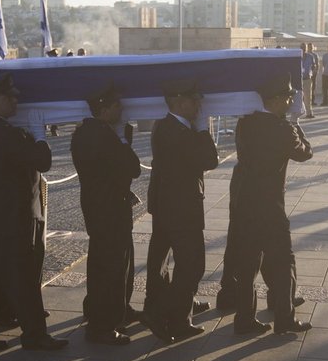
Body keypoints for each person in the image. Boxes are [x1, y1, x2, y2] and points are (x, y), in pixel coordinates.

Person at [0, 70, 66, 351]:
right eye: (10, 97)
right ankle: (34, 335)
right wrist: (38, 134)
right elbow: (42, 161)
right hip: (12, 221)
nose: (15, 102)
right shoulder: (2, 134)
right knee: (25, 278)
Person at [231, 74, 313, 335]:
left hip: (245, 204)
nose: (290, 101)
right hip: (270, 206)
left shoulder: (245, 124)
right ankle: (285, 319)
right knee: (283, 261)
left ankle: (244, 320)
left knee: (247, 265)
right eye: (287, 97)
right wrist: (296, 124)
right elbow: (305, 153)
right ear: (276, 100)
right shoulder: (282, 129)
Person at [142, 79, 218, 344]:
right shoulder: (180, 132)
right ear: (178, 102)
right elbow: (211, 160)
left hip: (165, 205)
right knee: (192, 265)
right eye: (194, 101)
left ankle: (171, 314)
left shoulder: (164, 125)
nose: (199, 105)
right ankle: (166, 316)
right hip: (181, 208)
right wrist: (203, 130)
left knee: (161, 262)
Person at [70, 83, 141, 345]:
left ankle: (116, 309)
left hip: (98, 205)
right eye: (116, 106)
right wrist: (122, 138)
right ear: (105, 109)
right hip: (110, 209)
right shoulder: (103, 135)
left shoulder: (83, 133)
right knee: (111, 266)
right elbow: (133, 167)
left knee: (105, 262)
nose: (121, 110)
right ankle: (104, 325)